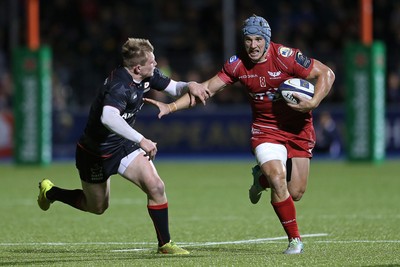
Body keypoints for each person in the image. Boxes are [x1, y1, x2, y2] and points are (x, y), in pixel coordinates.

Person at [144, 15, 335, 254]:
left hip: (298, 129)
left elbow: (327, 74)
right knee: (278, 178)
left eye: (257, 39)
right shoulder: (237, 65)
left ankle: (260, 179)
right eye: (247, 39)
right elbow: (205, 90)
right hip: (265, 129)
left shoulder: (287, 58)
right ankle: (295, 240)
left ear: (266, 40)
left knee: (295, 192)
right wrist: (170, 107)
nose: (252, 45)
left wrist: (313, 102)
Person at [37, 38, 210, 255]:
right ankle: (51, 192)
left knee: (156, 186)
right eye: (152, 62)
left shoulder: (147, 75)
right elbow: (108, 117)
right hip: (96, 153)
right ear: (138, 67)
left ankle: (165, 244)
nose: (156, 65)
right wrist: (141, 139)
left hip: (123, 145)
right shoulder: (119, 86)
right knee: (97, 207)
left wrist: (189, 85)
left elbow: (174, 88)